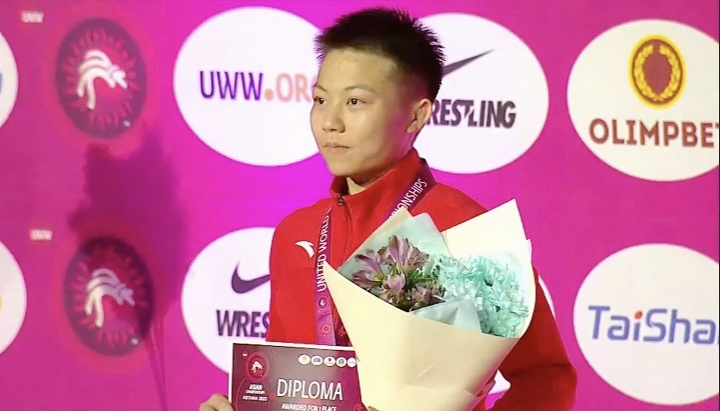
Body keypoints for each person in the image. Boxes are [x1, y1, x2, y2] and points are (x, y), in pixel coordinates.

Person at [200, 6, 577, 411]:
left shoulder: (466, 229)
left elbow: (546, 378)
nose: (330, 121)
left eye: (355, 101)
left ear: (417, 115)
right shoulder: (297, 232)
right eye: (321, 99)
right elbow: (283, 388)